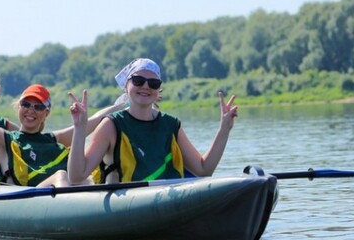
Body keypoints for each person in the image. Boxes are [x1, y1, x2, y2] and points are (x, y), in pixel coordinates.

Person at [66, 58, 239, 185]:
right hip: (126, 205)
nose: (146, 86)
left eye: (153, 83)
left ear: (158, 89)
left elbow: (203, 169)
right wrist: (80, 127)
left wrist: (224, 129)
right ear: (126, 85)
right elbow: (76, 177)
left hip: (170, 201)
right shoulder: (110, 125)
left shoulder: (171, 125)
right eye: (138, 81)